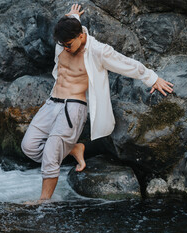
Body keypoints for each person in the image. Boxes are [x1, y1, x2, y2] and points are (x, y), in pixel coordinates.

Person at [21, 4, 174, 201]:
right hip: (52, 102)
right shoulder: (67, 37)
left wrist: (153, 79)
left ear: (81, 36)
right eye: (63, 45)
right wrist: (74, 15)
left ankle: (43, 203)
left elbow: (126, 64)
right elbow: (73, 23)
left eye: (69, 44)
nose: (65, 48)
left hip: (73, 107)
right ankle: (74, 148)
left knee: (51, 154)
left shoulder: (98, 51)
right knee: (29, 146)